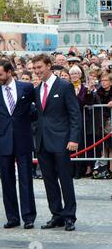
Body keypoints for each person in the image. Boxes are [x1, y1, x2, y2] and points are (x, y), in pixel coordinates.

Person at [32, 54, 81, 232]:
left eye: (40, 67)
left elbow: (74, 114)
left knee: (65, 180)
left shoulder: (65, 86)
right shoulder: (37, 90)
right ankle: (57, 215)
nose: (37, 71)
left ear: (48, 66)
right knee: (49, 181)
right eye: (35, 68)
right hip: (43, 142)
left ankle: (69, 216)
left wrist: (74, 138)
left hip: (62, 141)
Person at [0, 60, 37, 229]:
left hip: (23, 139)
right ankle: (12, 217)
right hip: (3, 141)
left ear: (10, 72)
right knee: (7, 181)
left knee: (26, 179)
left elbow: (35, 111)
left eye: (0, 75)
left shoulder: (26, 88)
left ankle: (28, 216)